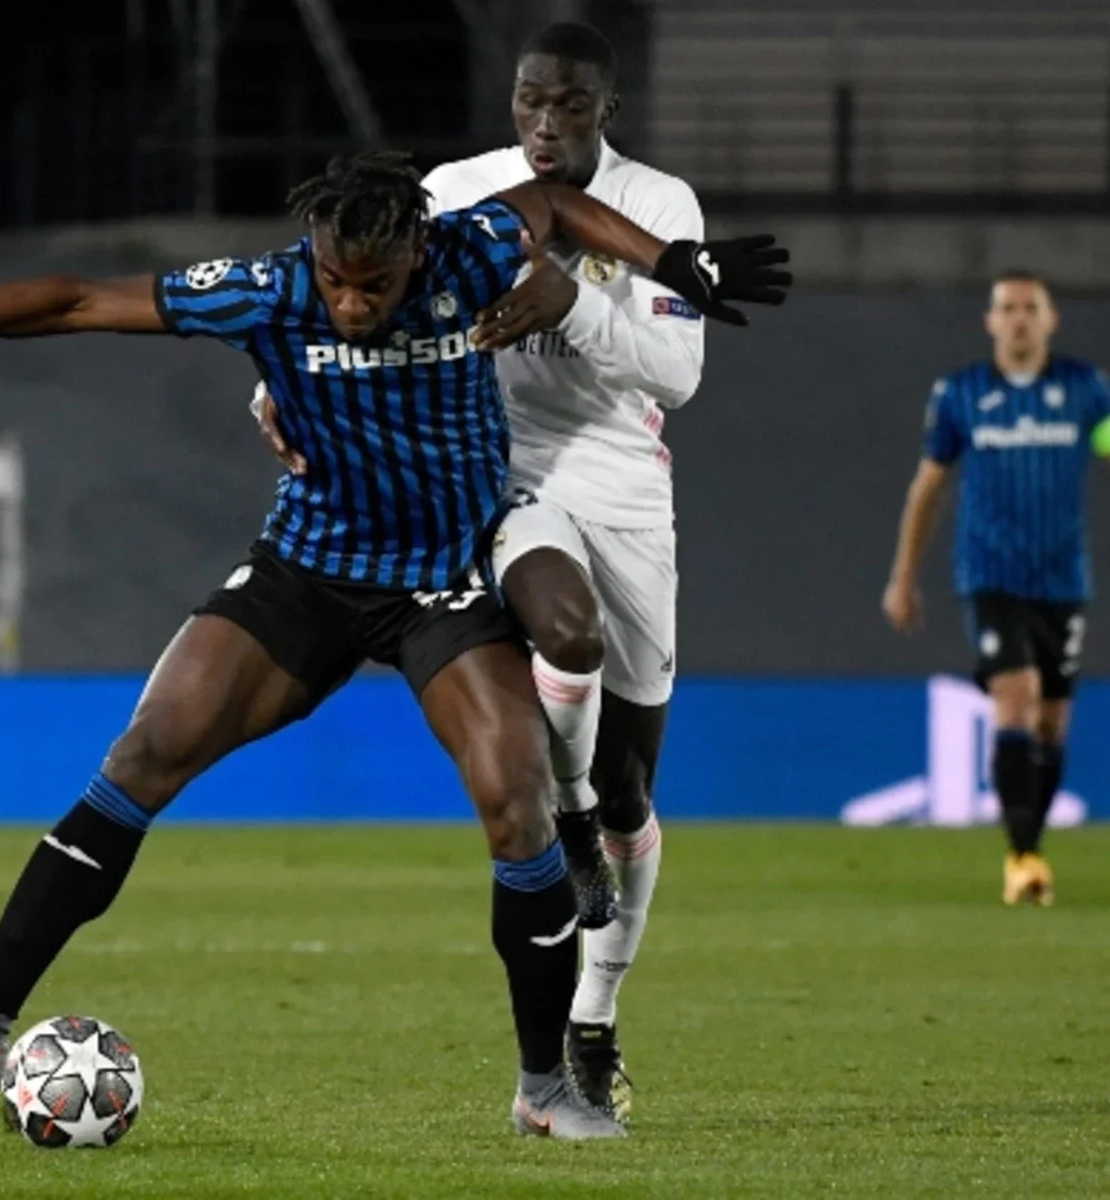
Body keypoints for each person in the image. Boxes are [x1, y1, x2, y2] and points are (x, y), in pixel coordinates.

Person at [0, 151, 789, 1140]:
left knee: (515, 803)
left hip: (439, 582)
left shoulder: (469, 249)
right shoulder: (267, 289)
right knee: (142, 758)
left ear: (417, 247)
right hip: (304, 575)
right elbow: (73, 301)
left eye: (374, 284)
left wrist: (676, 262)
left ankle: (544, 1089)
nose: (352, 302)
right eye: (336, 280)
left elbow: (550, 199)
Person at [252, 22, 713, 1122]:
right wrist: (274, 391)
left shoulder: (663, 209)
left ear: (606, 111)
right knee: (565, 638)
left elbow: (680, 375)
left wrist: (577, 304)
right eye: (527, 103)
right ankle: (558, 831)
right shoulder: (458, 191)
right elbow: (346, 295)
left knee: (632, 791)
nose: (543, 126)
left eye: (567, 108)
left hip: (623, 483)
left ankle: (595, 1015)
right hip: (499, 475)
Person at [884, 270, 1110, 906]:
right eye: (1006, 308)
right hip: (989, 575)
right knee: (1018, 697)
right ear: (990, 321)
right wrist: (904, 575)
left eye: (1028, 308)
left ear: (1049, 319)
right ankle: (1022, 857)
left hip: (1064, 580)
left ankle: (1031, 847)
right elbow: (926, 488)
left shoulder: (1085, 391)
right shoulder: (962, 394)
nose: (1017, 319)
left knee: (1051, 722)